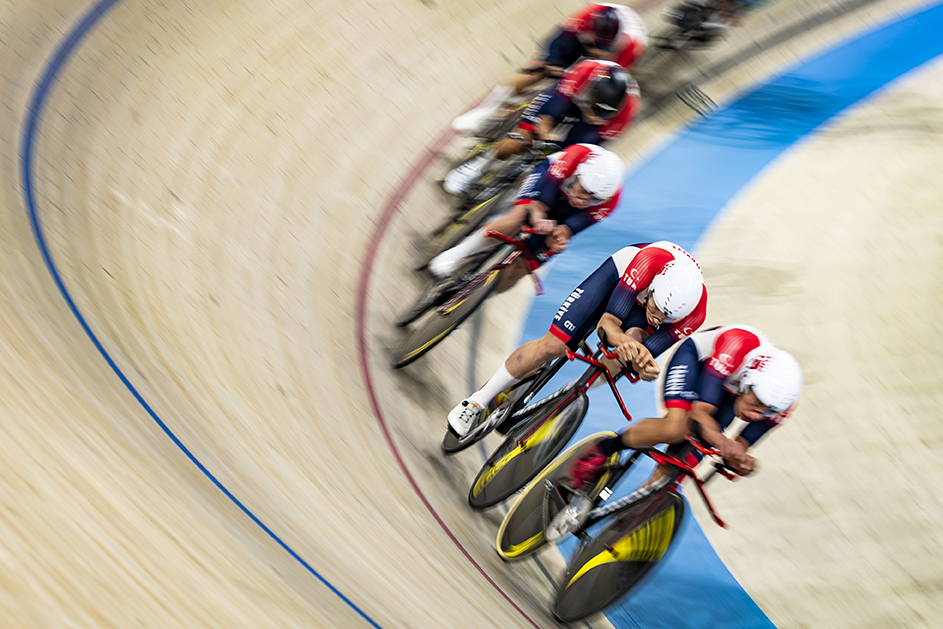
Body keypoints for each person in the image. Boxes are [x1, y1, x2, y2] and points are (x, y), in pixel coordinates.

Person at [447, 240, 708, 437]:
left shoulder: (694, 315)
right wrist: (625, 343)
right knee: (552, 345)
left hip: (644, 303)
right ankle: (476, 402)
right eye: (655, 308)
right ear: (653, 287)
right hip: (619, 277)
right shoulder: (648, 262)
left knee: (621, 363)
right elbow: (607, 324)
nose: (657, 318)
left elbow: (646, 349)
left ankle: (566, 395)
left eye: (665, 317)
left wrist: (644, 364)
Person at [567, 324, 803, 512]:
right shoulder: (738, 343)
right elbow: (699, 414)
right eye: (755, 404)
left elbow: (738, 447)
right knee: (677, 427)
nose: (754, 415)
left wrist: (740, 462)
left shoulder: (781, 405)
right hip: (698, 364)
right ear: (749, 381)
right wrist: (723, 444)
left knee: (682, 466)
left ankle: (631, 516)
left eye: (764, 412)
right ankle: (604, 449)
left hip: (731, 393)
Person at [429, 144, 623, 292]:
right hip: (550, 182)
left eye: (593, 198)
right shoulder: (575, 156)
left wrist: (558, 238)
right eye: (584, 191)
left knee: (524, 266)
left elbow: (570, 228)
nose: (584, 199)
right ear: (579, 174)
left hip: (566, 212)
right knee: (518, 218)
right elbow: (539, 203)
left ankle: (470, 301)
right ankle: (457, 253)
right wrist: (538, 217)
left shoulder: (610, 202)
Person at [443, 59, 641, 196]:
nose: (594, 117)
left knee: (562, 161)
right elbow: (549, 114)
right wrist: (545, 134)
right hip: (570, 100)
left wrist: (556, 154)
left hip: (591, 127)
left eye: (601, 116)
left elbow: (579, 148)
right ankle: (479, 165)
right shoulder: (584, 74)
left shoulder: (623, 118)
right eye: (593, 111)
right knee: (521, 140)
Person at [451, 3, 648, 135]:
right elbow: (556, 42)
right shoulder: (588, 15)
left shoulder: (631, 46)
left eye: (601, 47)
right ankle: (484, 110)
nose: (595, 50)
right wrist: (552, 64)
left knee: (578, 99)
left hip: (610, 63)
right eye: (593, 45)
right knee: (538, 69)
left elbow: (611, 81)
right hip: (581, 40)